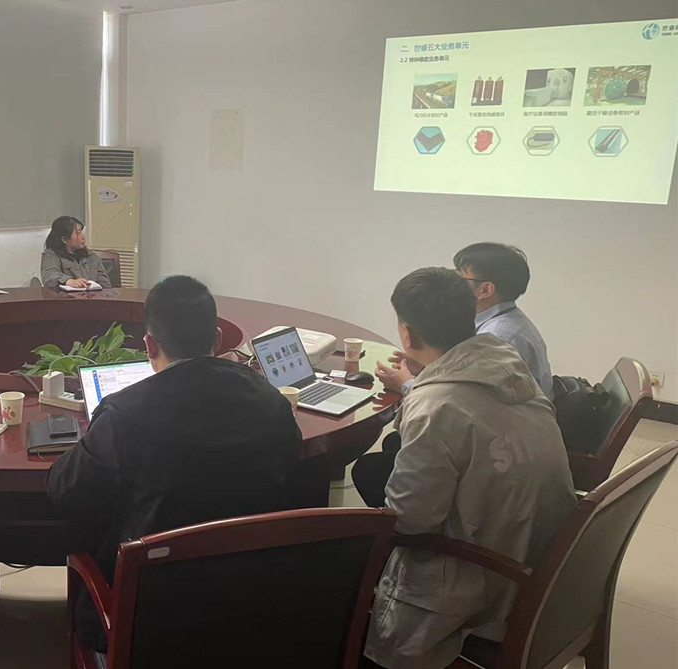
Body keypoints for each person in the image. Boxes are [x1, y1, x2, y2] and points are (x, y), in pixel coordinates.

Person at [46, 275, 301, 652]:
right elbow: (291, 471)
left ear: (149, 345)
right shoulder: (271, 402)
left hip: (151, 619)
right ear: (217, 338)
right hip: (249, 604)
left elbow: (64, 490)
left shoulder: (125, 413)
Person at [360, 268, 575, 669]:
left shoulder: (436, 406)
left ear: (406, 334)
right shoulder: (506, 363)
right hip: (541, 555)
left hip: (483, 578)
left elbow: (409, 522)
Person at [375, 243, 553, 398]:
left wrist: (406, 385)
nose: (454, 281)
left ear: (485, 290)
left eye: (461, 277)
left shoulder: (497, 338)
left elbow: (466, 400)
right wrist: (427, 367)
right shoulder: (508, 321)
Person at [40, 216, 112, 289]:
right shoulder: (52, 255)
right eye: (78, 233)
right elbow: (49, 275)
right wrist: (68, 281)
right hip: (65, 296)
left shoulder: (91, 256)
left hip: (92, 295)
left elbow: (105, 284)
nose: (83, 236)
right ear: (65, 239)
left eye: (81, 232)